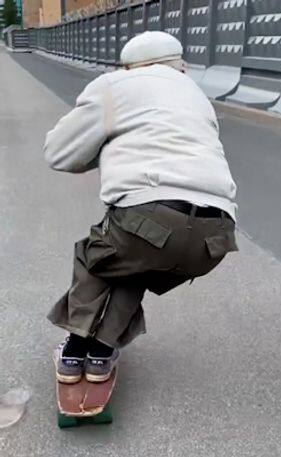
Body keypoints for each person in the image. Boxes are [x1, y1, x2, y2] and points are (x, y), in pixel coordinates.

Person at [45, 31, 239, 383]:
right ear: (180, 66)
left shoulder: (114, 85)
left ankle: (74, 353)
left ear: (130, 65)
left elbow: (60, 153)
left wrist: (105, 148)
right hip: (216, 238)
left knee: (97, 257)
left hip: (149, 213)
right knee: (136, 264)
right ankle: (102, 354)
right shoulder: (197, 95)